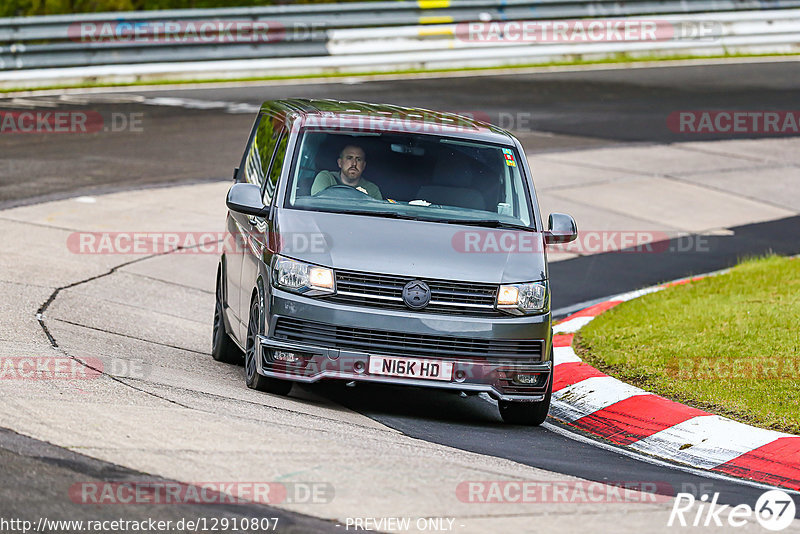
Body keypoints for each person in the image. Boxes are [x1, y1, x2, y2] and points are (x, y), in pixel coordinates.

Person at [311, 144, 383, 200]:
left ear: (363, 165)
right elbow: (318, 204)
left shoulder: (372, 189)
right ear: (340, 163)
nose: (354, 163)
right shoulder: (326, 178)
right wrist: (360, 198)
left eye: (358, 159)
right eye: (349, 158)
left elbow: (377, 215)